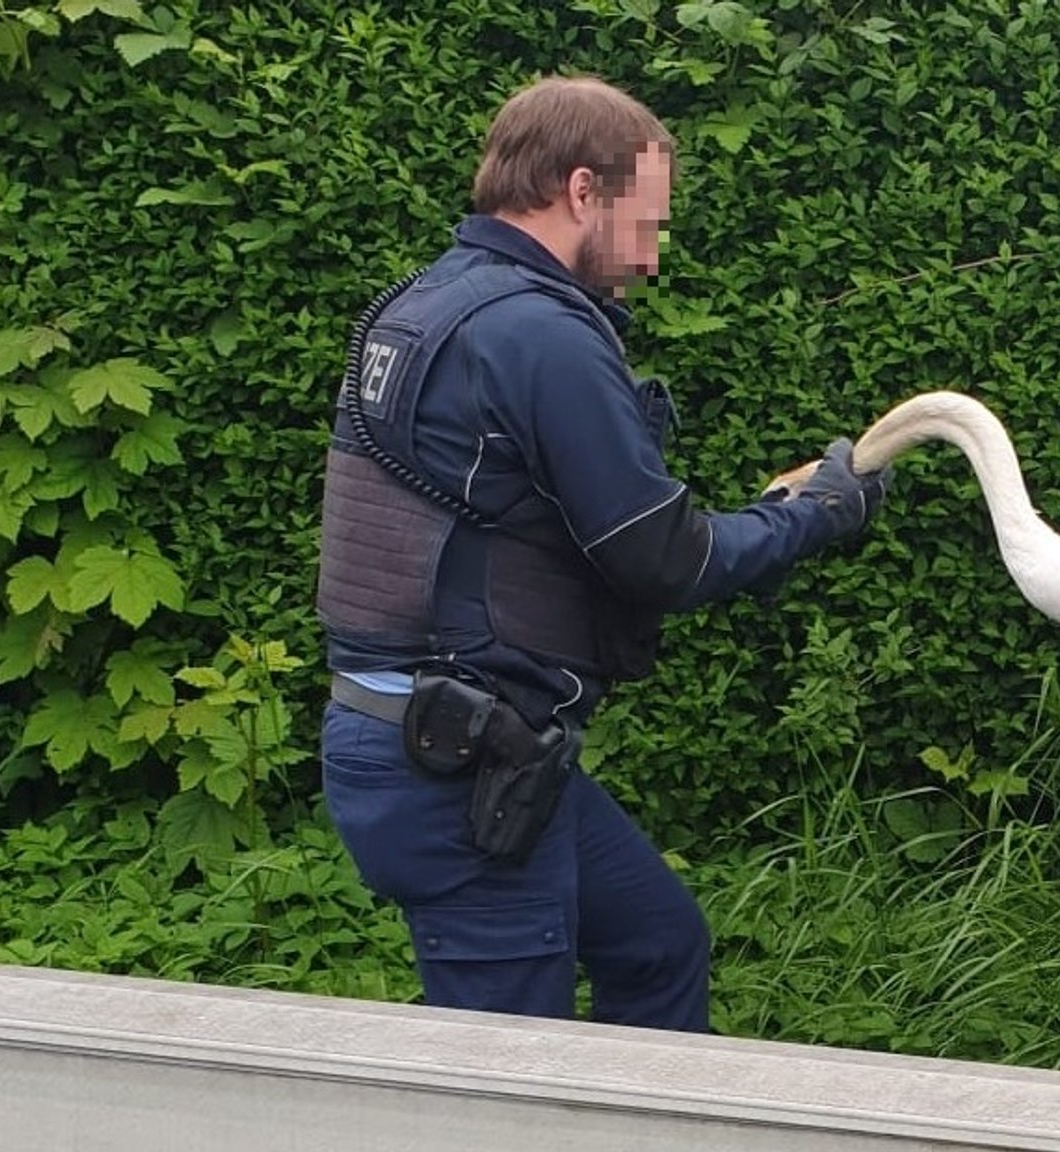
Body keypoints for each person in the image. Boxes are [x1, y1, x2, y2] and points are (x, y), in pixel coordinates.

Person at [313, 75, 884, 1031]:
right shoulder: (536, 330)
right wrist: (817, 513)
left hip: (432, 743)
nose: (651, 259)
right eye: (646, 224)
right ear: (583, 190)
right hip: (458, 772)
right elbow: (663, 558)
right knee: (513, 1084)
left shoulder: (429, 305)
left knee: (658, 942)